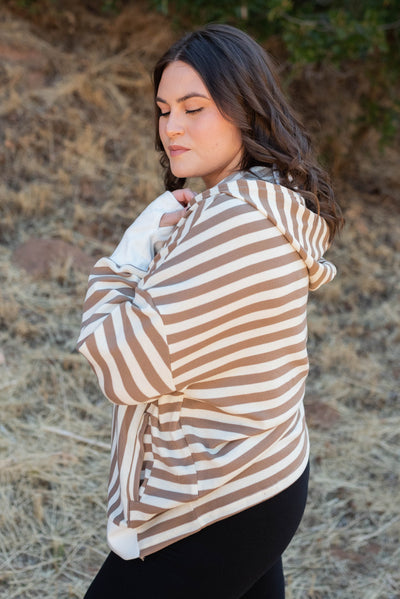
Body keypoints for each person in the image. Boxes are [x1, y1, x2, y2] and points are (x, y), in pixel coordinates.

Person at [77, 24, 343, 599]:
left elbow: (118, 365)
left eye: (194, 108)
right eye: (163, 109)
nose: (171, 127)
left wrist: (124, 259)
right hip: (259, 469)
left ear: (244, 108)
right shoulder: (265, 198)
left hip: (214, 501)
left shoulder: (235, 224)